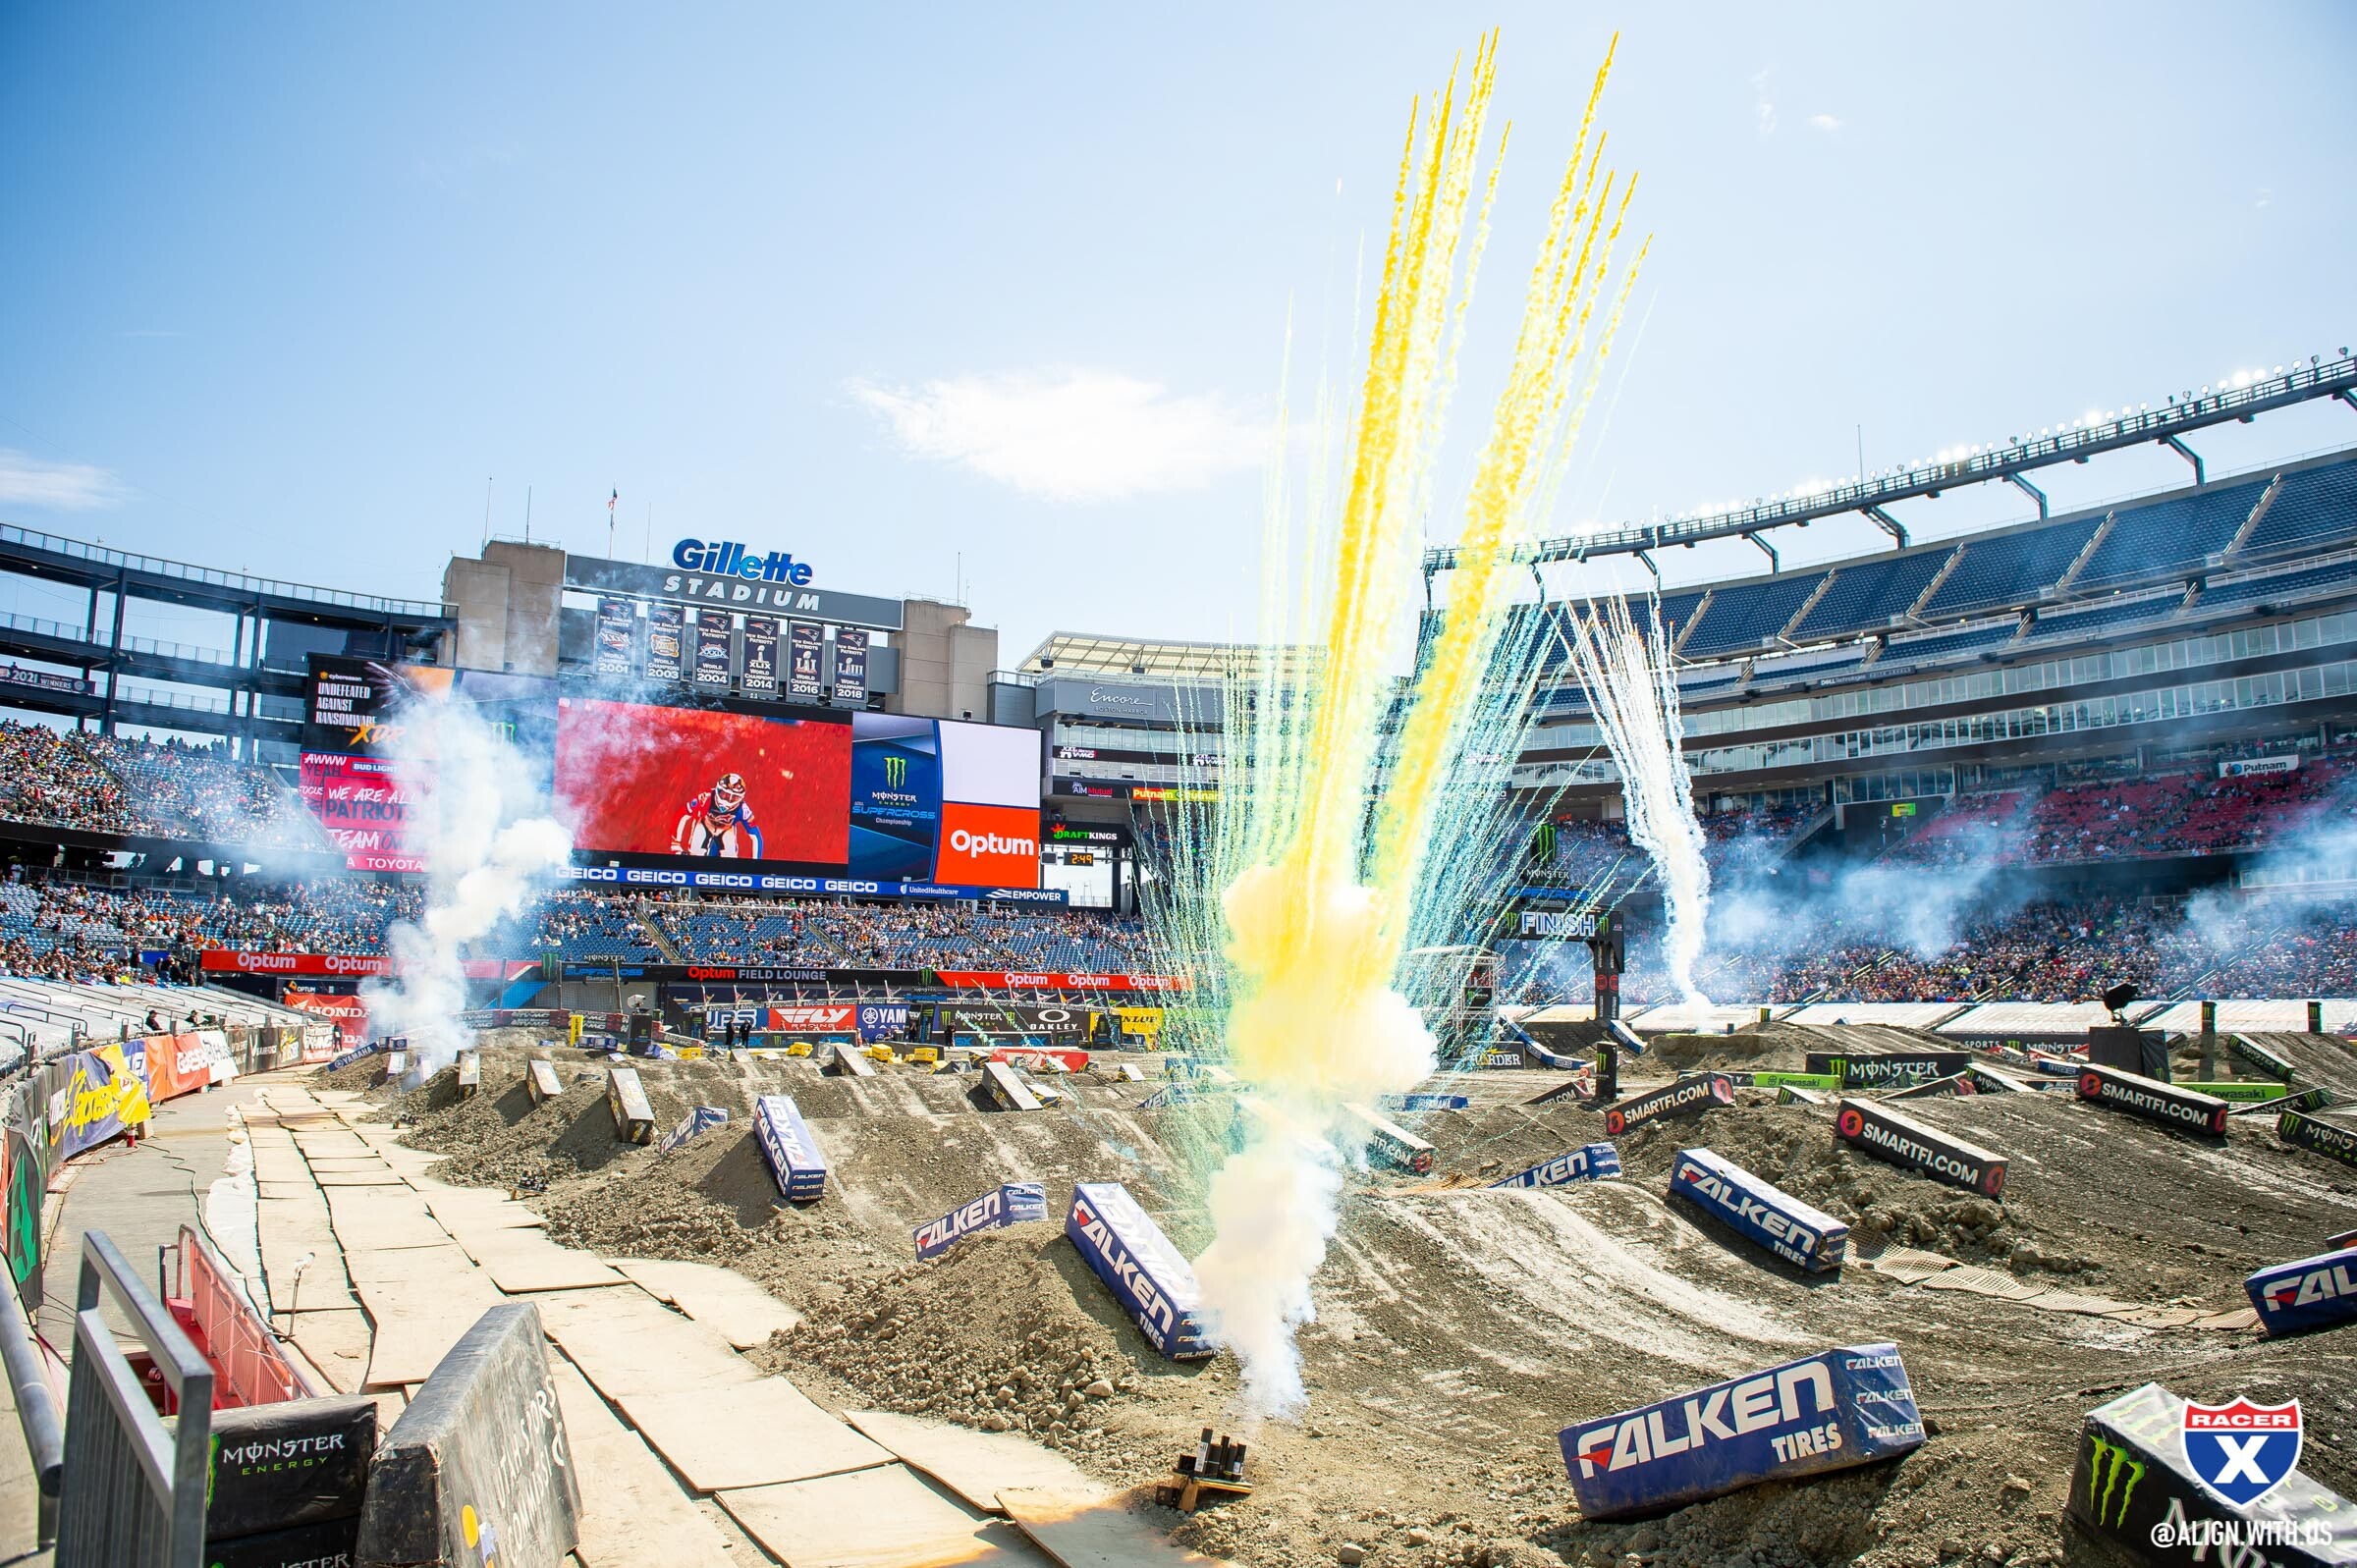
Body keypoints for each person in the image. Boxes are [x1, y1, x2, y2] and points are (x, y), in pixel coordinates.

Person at [670, 774, 764, 858]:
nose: (727, 800)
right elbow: (683, 813)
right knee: (696, 853)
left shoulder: (743, 809)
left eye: (734, 797)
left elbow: (756, 835)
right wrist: (675, 843)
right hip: (707, 824)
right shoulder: (706, 798)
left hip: (724, 828)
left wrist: (675, 843)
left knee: (729, 857)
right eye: (724, 794)